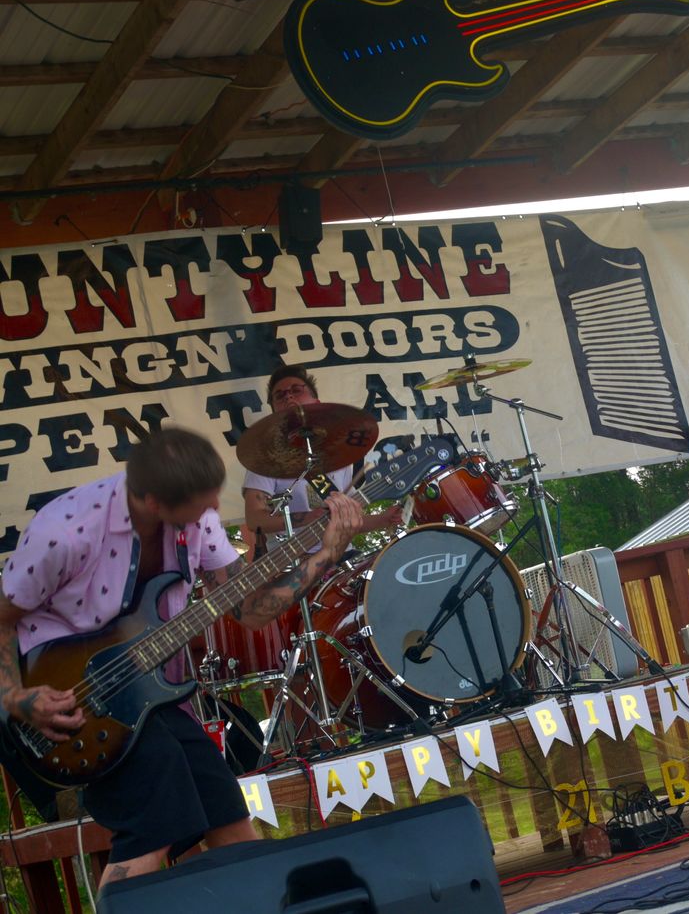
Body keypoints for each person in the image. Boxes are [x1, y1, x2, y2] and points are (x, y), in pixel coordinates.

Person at [0, 427, 363, 889]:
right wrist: (17, 698)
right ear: (153, 502)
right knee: (152, 831)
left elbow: (251, 610)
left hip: (147, 694)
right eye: (200, 504)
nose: (211, 512)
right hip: (77, 704)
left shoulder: (198, 520)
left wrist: (327, 552)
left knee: (225, 811)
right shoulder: (65, 531)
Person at [241, 365, 404, 547]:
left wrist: (383, 519)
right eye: (280, 396)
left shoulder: (340, 453)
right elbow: (255, 520)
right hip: (291, 558)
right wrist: (308, 518)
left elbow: (345, 520)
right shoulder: (265, 458)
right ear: (274, 413)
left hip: (341, 555)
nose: (288, 397)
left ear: (317, 403)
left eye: (296, 390)